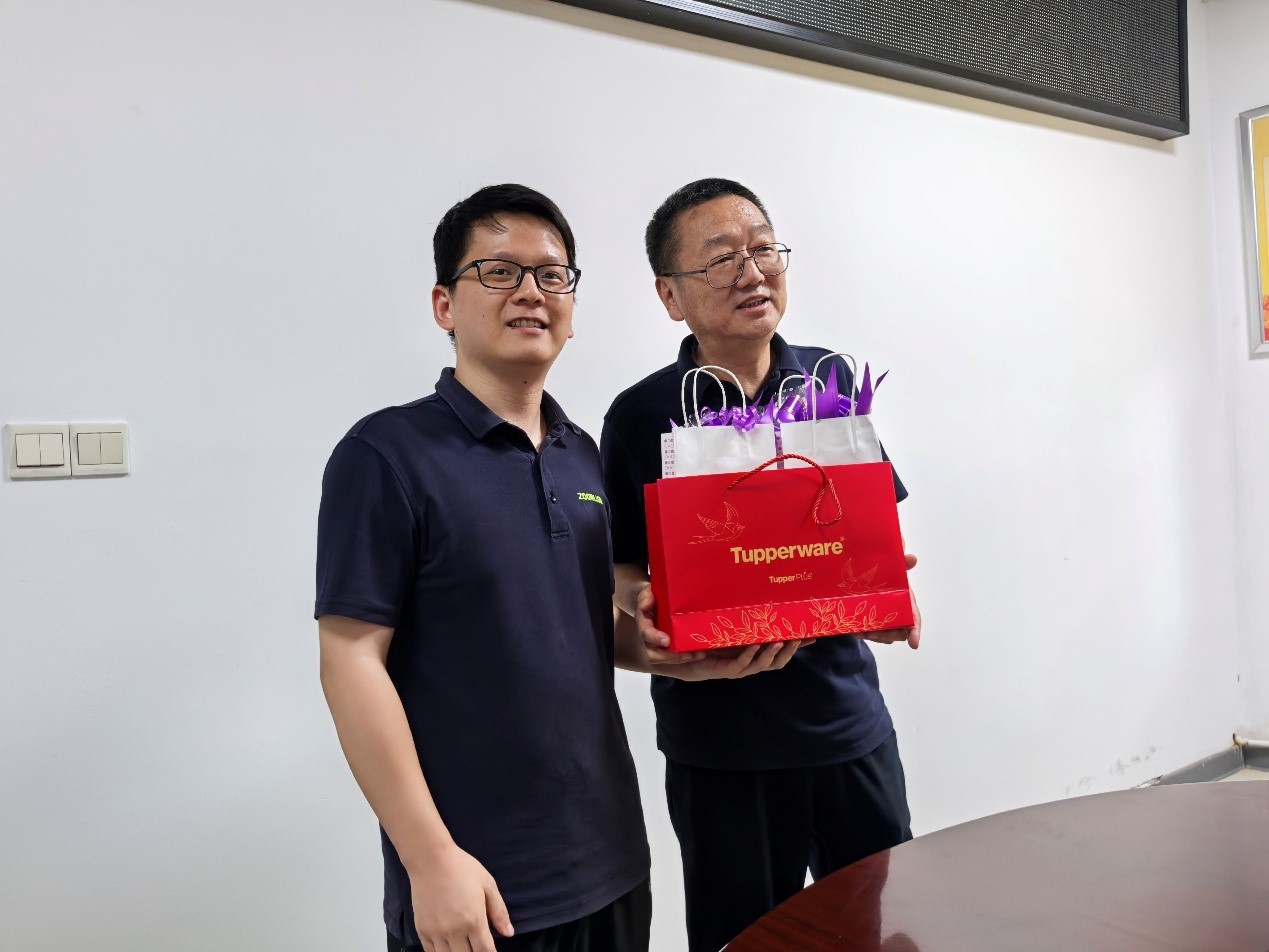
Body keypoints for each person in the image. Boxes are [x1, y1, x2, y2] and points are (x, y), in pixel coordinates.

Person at [315, 184, 652, 952]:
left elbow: (582, 625)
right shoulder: (385, 454)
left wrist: (681, 649)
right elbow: (350, 660)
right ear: (445, 305)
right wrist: (429, 860)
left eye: (552, 275)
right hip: (479, 886)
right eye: (499, 272)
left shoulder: (581, 453)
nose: (531, 292)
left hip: (612, 863)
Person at [601, 178, 922, 952]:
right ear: (670, 296)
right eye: (720, 259)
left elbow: (869, 537)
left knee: (880, 930)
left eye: (762, 250)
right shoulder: (642, 414)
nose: (751, 272)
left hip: (846, 725)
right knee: (742, 939)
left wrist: (888, 598)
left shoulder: (829, 382)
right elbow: (620, 571)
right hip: (723, 748)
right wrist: (646, 608)